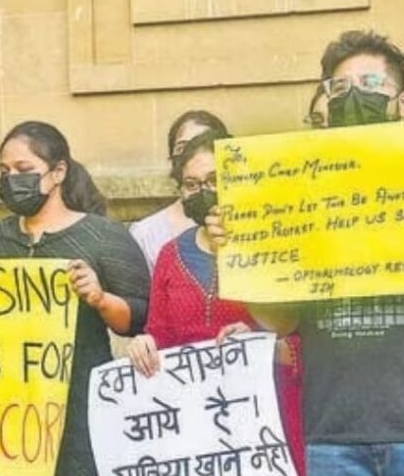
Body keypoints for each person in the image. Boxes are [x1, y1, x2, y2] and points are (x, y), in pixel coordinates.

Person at [205, 30, 404, 475]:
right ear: (326, 101)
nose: (355, 97)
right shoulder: (296, 191)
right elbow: (283, 321)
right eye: (341, 88)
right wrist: (236, 254)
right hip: (334, 437)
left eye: (371, 84)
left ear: (403, 101)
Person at [126, 131, 305, 475]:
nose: (203, 192)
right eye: (191, 185)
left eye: (214, 180)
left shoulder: (276, 246)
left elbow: (307, 336)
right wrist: (144, 344)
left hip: (271, 419)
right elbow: (159, 334)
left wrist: (266, 346)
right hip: (199, 429)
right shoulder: (170, 254)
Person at [0, 120, 150, 475]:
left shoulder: (103, 236)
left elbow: (138, 318)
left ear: (58, 172)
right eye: (4, 171)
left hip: (83, 397)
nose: (12, 179)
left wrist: (99, 297)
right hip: (19, 398)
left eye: (24, 170)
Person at [129, 110, 229, 271]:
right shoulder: (146, 234)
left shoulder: (254, 223)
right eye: (184, 148)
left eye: (205, 143)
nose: (195, 155)